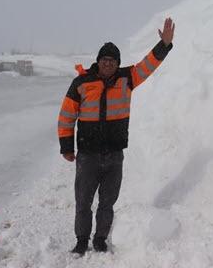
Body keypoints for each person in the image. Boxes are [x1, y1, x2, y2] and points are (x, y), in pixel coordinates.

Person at [57, 17, 175, 255]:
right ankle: (82, 240)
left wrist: (164, 45)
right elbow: (66, 116)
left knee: (107, 203)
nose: (108, 64)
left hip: (114, 155)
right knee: (83, 202)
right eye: (105, 60)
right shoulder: (81, 83)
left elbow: (147, 66)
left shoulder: (126, 79)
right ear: (98, 61)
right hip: (88, 156)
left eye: (113, 60)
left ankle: (100, 239)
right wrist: (67, 146)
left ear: (118, 63)